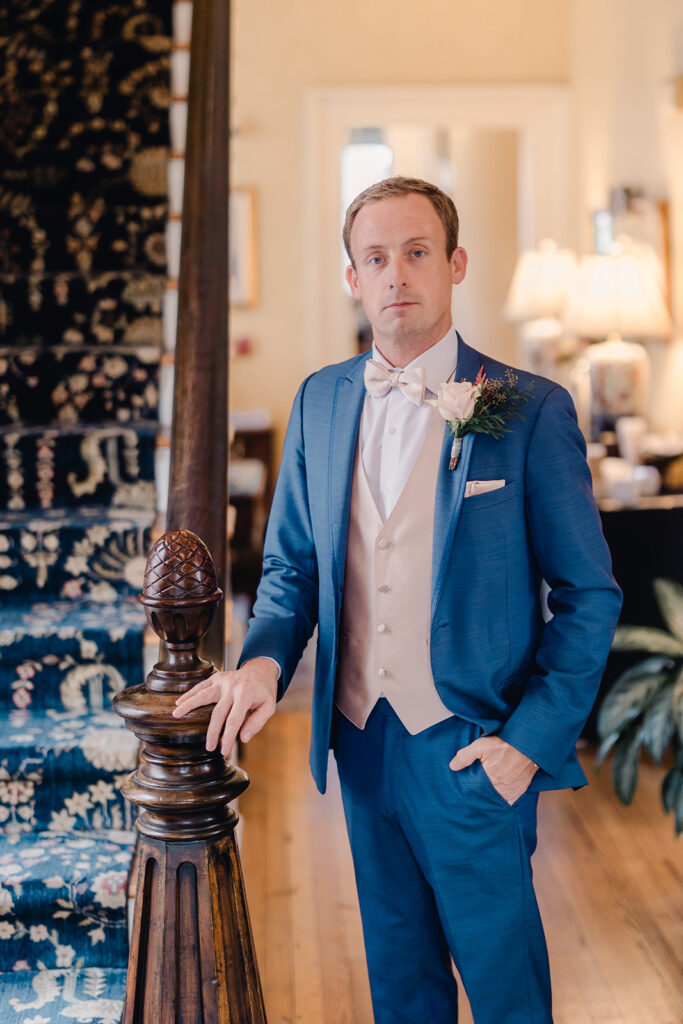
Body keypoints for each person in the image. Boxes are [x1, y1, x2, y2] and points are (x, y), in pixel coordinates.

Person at [173, 176, 622, 1023]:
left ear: (454, 264)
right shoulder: (320, 399)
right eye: (374, 258)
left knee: (506, 993)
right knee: (401, 990)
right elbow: (291, 571)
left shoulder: (529, 410)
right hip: (362, 746)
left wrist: (524, 743)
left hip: (473, 747)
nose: (395, 275)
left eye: (416, 252)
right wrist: (264, 663)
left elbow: (588, 593)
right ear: (352, 277)